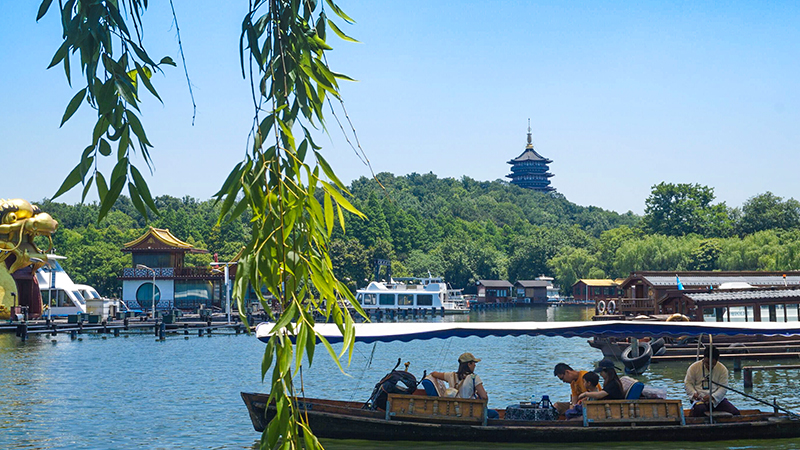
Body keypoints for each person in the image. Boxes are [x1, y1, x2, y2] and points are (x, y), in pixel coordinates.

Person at [431, 352, 499, 419]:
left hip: (454, 411)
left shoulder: (451, 375)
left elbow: (434, 374)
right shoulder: (474, 378)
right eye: (474, 363)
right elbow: (484, 397)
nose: (475, 365)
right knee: (495, 414)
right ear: (469, 364)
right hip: (470, 411)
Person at [684, 346, 740, 417]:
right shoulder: (694, 367)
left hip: (716, 400)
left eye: (712, 364)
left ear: (717, 360)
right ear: (704, 358)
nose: (709, 366)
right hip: (700, 399)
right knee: (699, 410)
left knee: (735, 413)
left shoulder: (722, 369)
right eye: (707, 363)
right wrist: (693, 393)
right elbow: (688, 383)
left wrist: (712, 397)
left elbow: (723, 388)